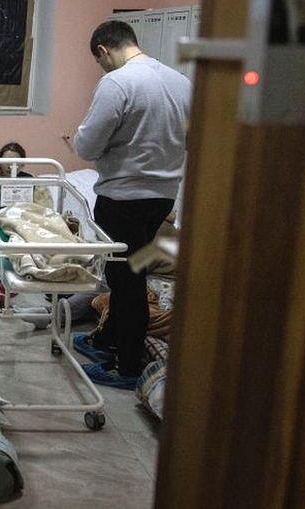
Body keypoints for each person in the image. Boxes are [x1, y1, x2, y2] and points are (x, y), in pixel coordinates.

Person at [69, 20, 190, 389]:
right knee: (128, 272)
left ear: (104, 50)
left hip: (123, 196)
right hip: (163, 195)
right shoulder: (180, 82)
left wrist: (82, 140)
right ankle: (106, 341)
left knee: (126, 280)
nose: (102, 67)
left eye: (99, 60)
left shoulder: (118, 82)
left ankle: (129, 365)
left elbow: (87, 146)